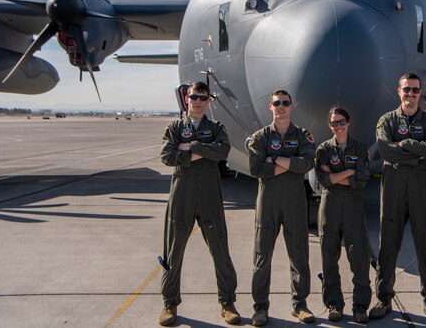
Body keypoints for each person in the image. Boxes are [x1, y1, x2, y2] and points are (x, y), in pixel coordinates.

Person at [158, 81, 240, 326]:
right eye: (193, 96)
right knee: (174, 250)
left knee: (220, 249)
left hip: (209, 195)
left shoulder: (216, 127)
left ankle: (227, 302)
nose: (197, 101)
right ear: (186, 99)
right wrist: (205, 151)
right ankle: (169, 303)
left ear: (208, 101)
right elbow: (167, 156)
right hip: (182, 194)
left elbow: (223, 151)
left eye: (202, 97)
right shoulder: (174, 127)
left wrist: (191, 147)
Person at [369, 73, 426, 323]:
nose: (410, 94)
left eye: (415, 90)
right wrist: (418, 155)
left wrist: (405, 145)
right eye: (406, 90)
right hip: (394, 189)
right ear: (398, 91)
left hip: (422, 190)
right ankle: (383, 298)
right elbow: (384, 149)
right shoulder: (387, 120)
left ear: (420, 92)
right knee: (388, 246)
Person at [246, 90, 316, 326]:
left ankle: (300, 305)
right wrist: (290, 163)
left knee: (299, 255)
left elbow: (306, 163)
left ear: (292, 106)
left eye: (286, 103)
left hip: (295, 202)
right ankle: (260, 308)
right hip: (268, 203)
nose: (282, 106)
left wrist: (274, 159)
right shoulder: (260, 137)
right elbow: (256, 169)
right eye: (277, 103)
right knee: (261, 256)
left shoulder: (304, 136)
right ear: (271, 106)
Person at [315, 107, 372, 324]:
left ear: (348, 123)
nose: (338, 127)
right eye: (334, 123)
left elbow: (362, 178)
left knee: (359, 257)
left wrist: (338, 175)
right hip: (329, 207)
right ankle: (334, 304)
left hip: (353, 207)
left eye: (341, 122)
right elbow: (324, 180)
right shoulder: (323, 149)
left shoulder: (360, 147)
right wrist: (350, 171)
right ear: (329, 126)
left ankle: (360, 306)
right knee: (329, 256)